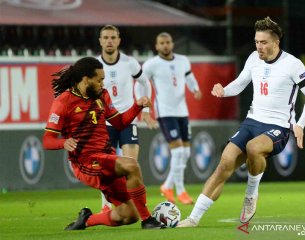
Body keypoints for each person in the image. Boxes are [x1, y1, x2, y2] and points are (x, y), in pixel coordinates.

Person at [177, 17, 305, 227]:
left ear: (276, 42)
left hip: (278, 126)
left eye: (263, 42)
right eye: (256, 42)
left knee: (254, 148)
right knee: (224, 165)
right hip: (252, 121)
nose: (259, 46)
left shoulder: (292, 64)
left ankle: (251, 193)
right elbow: (241, 83)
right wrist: (224, 90)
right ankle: (193, 218)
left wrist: (300, 124)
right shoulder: (253, 58)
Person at [42, 57, 164, 230]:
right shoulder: (63, 102)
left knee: (129, 215)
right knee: (131, 165)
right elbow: (47, 140)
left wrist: (137, 106)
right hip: (85, 162)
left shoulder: (102, 95)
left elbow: (120, 123)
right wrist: (63, 142)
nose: (102, 83)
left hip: (106, 156)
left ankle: (86, 221)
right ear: (86, 79)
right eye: (99, 80)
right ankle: (148, 221)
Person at [97, 25, 157, 212]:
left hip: (127, 121)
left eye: (113, 37)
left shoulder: (129, 63)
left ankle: (134, 205)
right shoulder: (95, 66)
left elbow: (144, 82)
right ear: (100, 41)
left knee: (131, 166)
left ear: (119, 40)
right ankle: (106, 207)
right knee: (106, 169)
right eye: (105, 37)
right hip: (105, 123)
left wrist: (145, 110)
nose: (109, 41)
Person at [139, 32, 202, 205]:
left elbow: (189, 78)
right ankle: (180, 191)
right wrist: (144, 107)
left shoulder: (183, 61)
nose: (165, 45)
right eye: (162, 43)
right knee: (178, 151)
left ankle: (167, 185)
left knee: (186, 152)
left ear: (172, 44)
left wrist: (195, 89)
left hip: (182, 111)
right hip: (165, 112)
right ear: (157, 46)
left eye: (168, 42)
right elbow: (141, 83)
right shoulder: (151, 65)